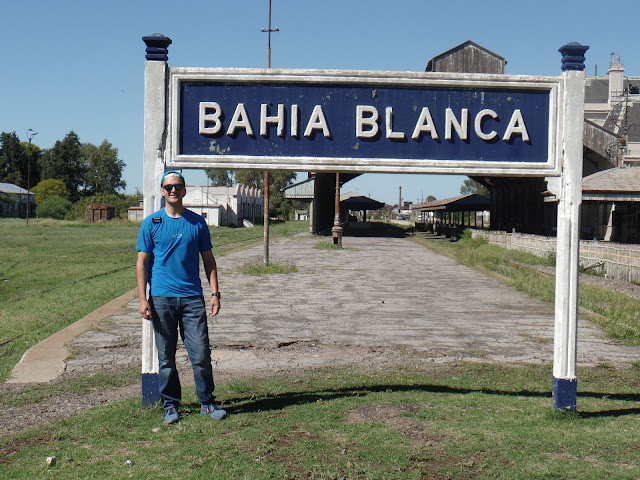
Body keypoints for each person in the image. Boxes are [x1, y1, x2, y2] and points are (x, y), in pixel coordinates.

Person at [136, 170, 226, 424]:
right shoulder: (151, 223)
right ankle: (170, 406)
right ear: (162, 191)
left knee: (200, 355)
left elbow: (209, 260)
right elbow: (141, 263)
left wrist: (215, 293)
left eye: (178, 186)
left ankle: (207, 403)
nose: (173, 190)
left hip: (192, 299)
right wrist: (143, 299)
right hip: (161, 299)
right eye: (169, 187)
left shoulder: (197, 223)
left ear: (184, 190)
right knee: (166, 358)